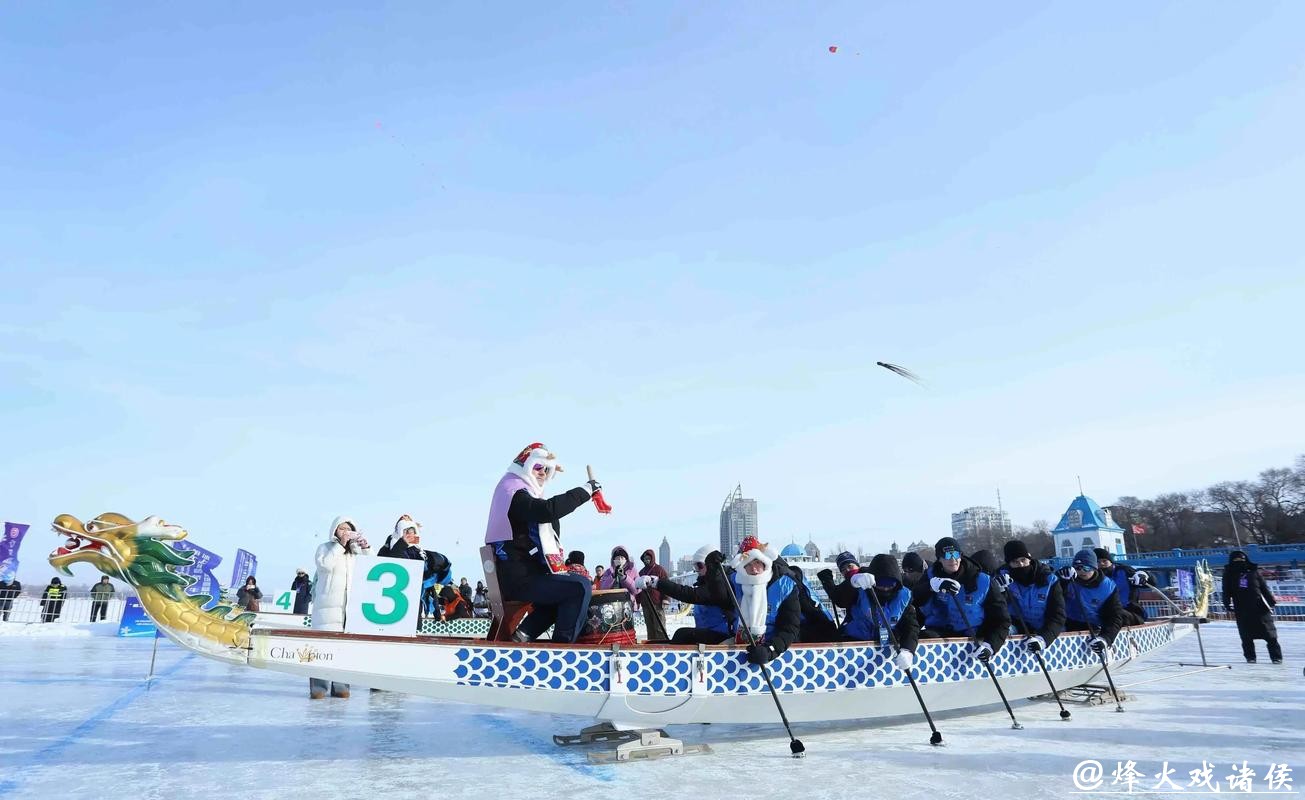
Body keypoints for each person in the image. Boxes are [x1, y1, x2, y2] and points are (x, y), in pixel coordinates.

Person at [483, 443, 595, 643]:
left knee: (567, 586)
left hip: (521, 574)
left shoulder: (514, 491)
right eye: (538, 467)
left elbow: (547, 515)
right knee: (579, 587)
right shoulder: (513, 492)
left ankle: (523, 636)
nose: (543, 473)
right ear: (525, 466)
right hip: (518, 578)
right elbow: (547, 511)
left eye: (547, 469)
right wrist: (585, 491)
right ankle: (562, 649)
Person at [912, 537, 1009, 663]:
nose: (953, 559)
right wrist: (931, 586)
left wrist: (991, 646)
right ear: (939, 559)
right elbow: (913, 600)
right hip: (939, 635)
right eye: (948, 555)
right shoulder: (931, 576)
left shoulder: (983, 580)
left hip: (974, 636)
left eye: (956, 554)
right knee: (924, 637)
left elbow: (1002, 619)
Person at [310, 516, 371, 698]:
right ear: (335, 530)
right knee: (322, 648)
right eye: (341, 528)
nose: (345, 532)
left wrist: (365, 547)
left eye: (348, 529)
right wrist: (340, 545)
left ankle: (341, 686)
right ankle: (319, 688)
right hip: (327, 607)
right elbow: (324, 566)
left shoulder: (355, 552)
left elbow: (372, 567)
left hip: (349, 608)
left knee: (344, 649)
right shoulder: (325, 548)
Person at [832, 554, 920, 669]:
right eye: (881, 584)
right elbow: (838, 598)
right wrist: (852, 582)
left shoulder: (903, 598)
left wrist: (908, 650)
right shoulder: (861, 589)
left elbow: (911, 626)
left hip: (885, 648)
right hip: (853, 644)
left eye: (890, 584)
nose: (885, 589)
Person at [640, 546, 735, 644]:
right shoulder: (706, 583)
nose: (697, 570)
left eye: (699, 566)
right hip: (711, 632)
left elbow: (689, 594)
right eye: (695, 567)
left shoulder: (721, 584)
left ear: (711, 566)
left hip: (724, 635)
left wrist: (657, 583)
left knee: (681, 634)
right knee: (681, 635)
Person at [731, 537, 802, 665]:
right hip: (739, 645)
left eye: (757, 563)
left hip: (770, 648)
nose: (754, 569)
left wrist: (770, 650)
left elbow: (790, 628)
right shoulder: (734, 582)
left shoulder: (784, 586)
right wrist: (714, 568)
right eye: (748, 564)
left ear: (765, 563)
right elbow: (710, 593)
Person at [996, 540, 1065, 655]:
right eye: (1015, 562)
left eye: (1023, 560)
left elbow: (1058, 616)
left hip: (1047, 631)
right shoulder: (1002, 580)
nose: (1021, 565)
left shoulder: (1049, 580)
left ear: (1029, 558)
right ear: (1009, 564)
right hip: (1019, 630)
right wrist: (1000, 591)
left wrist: (1043, 639)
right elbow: (999, 612)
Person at [1222, 550, 1282, 664]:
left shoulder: (1254, 571)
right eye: (1236, 560)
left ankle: (1276, 657)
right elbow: (1226, 591)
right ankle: (1250, 657)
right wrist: (1227, 603)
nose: (1239, 562)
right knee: (1246, 636)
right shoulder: (1228, 573)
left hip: (1259, 607)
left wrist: (1271, 601)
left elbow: (1264, 588)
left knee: (1270, 635)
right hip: (1242, 608)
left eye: (1241, 559)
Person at [1062, 549, 1124, 657]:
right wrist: (1061, 580)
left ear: (1095, 568)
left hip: (1095, 627)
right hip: (1069, 625)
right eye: (1078, 568)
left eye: (1086, 568)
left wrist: (1105, 638)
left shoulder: (1108, 587)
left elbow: (1115, 617)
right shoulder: (1068, 581)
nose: (1082, 572)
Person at [1094, 548, 1152, 625]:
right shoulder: (1093, 576)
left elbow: (1151, 582)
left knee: (1115, 613)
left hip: (1130, 612)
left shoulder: (1124, 571)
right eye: (1098, 562)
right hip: (1104, 615)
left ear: (1110, 561)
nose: (1101, 564)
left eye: (1104, 561)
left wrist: (1145, 576)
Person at [638, 548, 670, 641]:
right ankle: (651, 643)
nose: (647, 560)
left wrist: (665, 599)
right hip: (645, 603)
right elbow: (638, 588)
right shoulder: (641, 572)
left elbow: (667, 585)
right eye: (645, 559)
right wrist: (638, 601)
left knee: (659, 626)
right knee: (650, 626)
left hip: (657, 602)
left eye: (648, 558)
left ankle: (662, 643)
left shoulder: (659, 570)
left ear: (652, 558)